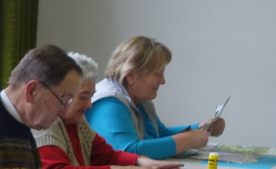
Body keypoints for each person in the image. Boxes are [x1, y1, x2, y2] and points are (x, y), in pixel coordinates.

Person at [34, 52, 187, 169]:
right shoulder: (46, 122)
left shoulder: (76, 120)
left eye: (90, 96)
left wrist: (144, 162)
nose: (89, 105)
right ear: (63, 92)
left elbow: (108, 156)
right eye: (83, 97)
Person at [87, 36, 225, 159]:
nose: (163, 81)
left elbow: (160, 134)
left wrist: (200, 128)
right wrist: (188, 139)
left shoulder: (140, 99)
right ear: (131, 75)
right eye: (157, 74)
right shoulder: (108, 103)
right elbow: (130, 152)